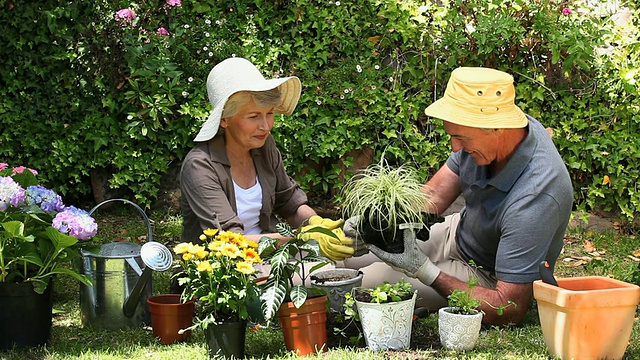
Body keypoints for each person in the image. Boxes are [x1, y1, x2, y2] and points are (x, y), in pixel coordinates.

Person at [343, 67, 574, 326]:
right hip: (459, 233)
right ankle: (295, 267)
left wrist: (424, 270)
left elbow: (508, 308)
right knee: (349, 252)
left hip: (486, 277)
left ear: (497, 128)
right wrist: (377, 218)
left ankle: (294, 288)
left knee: (367, 278)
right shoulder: (497, 129)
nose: (455, 148)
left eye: (460, 138)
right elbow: (432, 198)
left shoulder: (537, 194)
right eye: (452, 135)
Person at [179, 57, 354, 261]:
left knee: (367, 260)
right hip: (226, 271)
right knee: (329, 273)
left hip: (273, 254)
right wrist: (301, 239)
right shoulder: (200, 167)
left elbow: (289, 201)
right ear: (225, 120)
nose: (265, 126)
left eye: (269, 113)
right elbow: (231, 240)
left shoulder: (263, 147)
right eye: (253, 116)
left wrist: (317, 225)